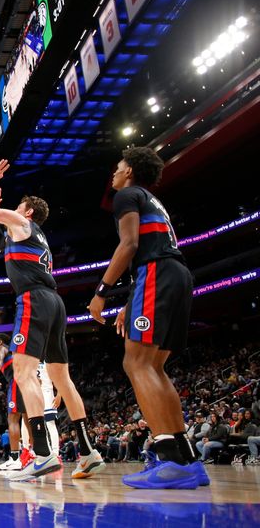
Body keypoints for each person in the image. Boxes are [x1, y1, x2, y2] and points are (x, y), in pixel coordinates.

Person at [0, 159, 104, 481]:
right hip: (55, 302)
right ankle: (88, 452)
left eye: (18, 207)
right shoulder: (37, 236)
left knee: (23, 371)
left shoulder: (21, 221)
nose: (13, 210)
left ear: (27, 212)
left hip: (34, 300)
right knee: (62, 378)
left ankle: (43, 454)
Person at [88, 147, 207, 489]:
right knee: (154, 366)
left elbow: (129, 245)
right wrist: (131, 300)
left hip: (158, 274)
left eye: (120, 165)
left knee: (136, 364)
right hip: (173, 274)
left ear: (130, 171)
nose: (115, 170)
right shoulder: (151, 199)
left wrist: (101, 291)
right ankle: (187, 460)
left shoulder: (126, 194)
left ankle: (169, 459)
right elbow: (148, 249)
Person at [0, 333, 25, 471]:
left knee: (13, 419)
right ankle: (30, 454)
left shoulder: (1, 348)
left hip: (17, 382)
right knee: (26, 418)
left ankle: (14, 458)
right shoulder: (12, 351)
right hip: (26, 383)